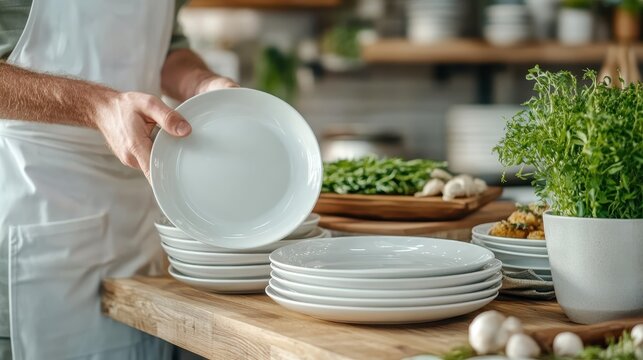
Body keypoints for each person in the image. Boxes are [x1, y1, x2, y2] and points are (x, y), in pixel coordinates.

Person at [0, 1, 238, 359]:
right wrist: (97, 105)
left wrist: (201, 82)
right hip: (35, 210)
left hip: (139, 228)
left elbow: (165, 46)